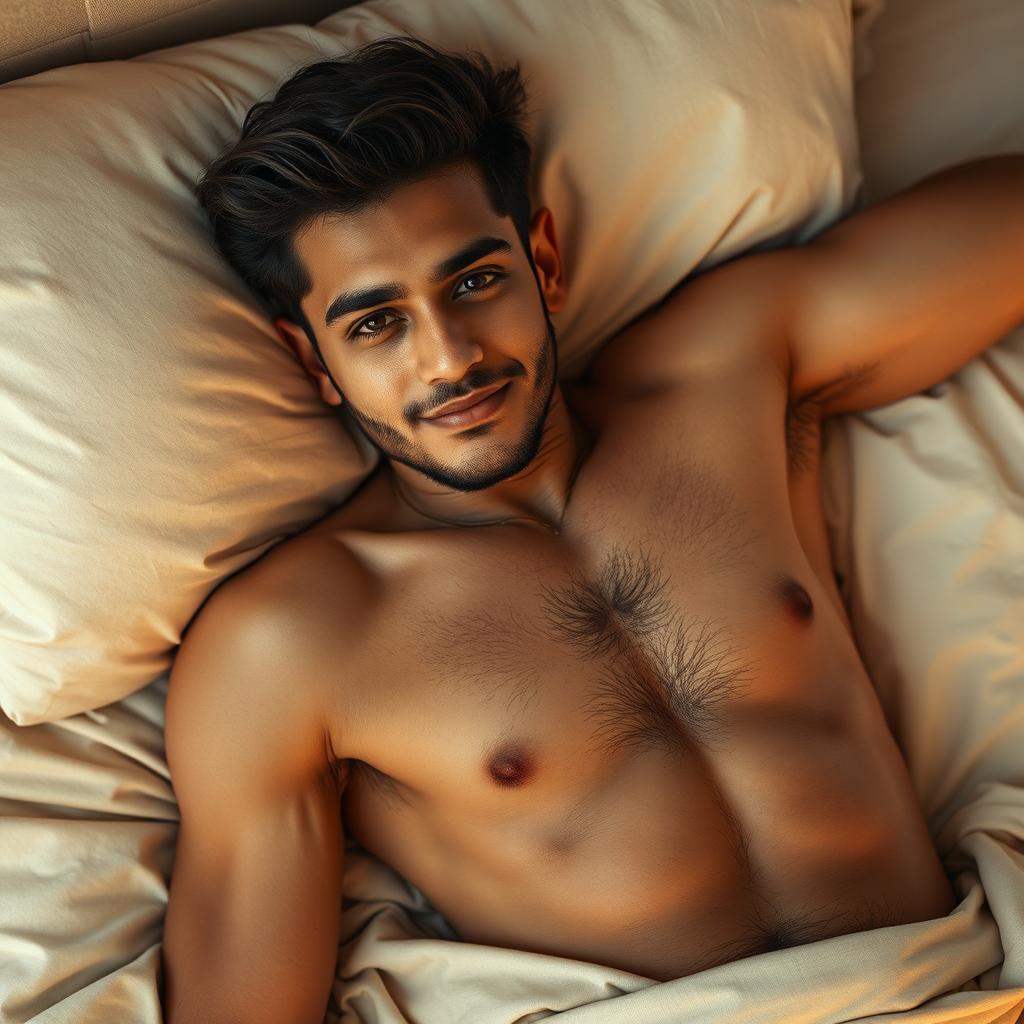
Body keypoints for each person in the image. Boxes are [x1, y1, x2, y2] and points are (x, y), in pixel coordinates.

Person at [160, 33, 1023, 1024]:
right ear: (312, 362)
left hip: (955, 992)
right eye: (375, 324)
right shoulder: (286, 641)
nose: (448, 358)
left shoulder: (718, 380)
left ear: (543, 261)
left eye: (475, 282)